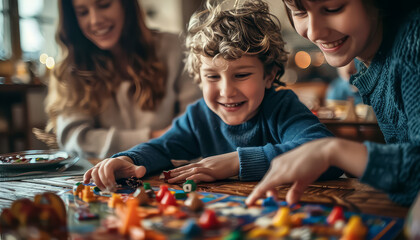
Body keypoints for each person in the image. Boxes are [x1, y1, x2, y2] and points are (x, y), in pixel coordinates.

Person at [83, 0, 342, 192]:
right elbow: (162, 147)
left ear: (269, 75)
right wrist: (128, 159)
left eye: (241, 75)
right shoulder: (199, 116)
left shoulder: (281, 107)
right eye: (213, 77)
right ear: (198, 77)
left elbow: (326, 155)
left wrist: (236, 162)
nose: (226, 91)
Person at [246, 0, 420, 206]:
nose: (313, 33)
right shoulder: (372, 56)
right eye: (300, 12)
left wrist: (331, 151)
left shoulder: (413, 43)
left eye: (332, 9)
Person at [44, 0, 201, 159]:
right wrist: (155, 137)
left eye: (104, 5)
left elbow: (195, 125)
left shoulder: (176, 48)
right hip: (103, 177)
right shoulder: (71, 68)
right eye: (82, 12)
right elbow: (74, 138)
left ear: (126, 4)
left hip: (174, 173)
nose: (95, 20)